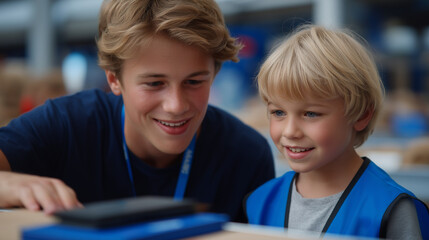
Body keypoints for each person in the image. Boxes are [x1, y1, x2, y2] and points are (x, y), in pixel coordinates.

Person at [0, 0, 275, 223]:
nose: (176, 105)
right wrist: (10, 185)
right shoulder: (68, 125)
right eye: (155, 83)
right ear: (113, 80)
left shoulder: (246, 153)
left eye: (194, 81)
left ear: (214, 74)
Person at [244, 25, 429, 239]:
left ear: (361, 115)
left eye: (311, 114)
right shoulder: (258, 203)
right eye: (278, 112)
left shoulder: (394, 211)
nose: (290, 131)